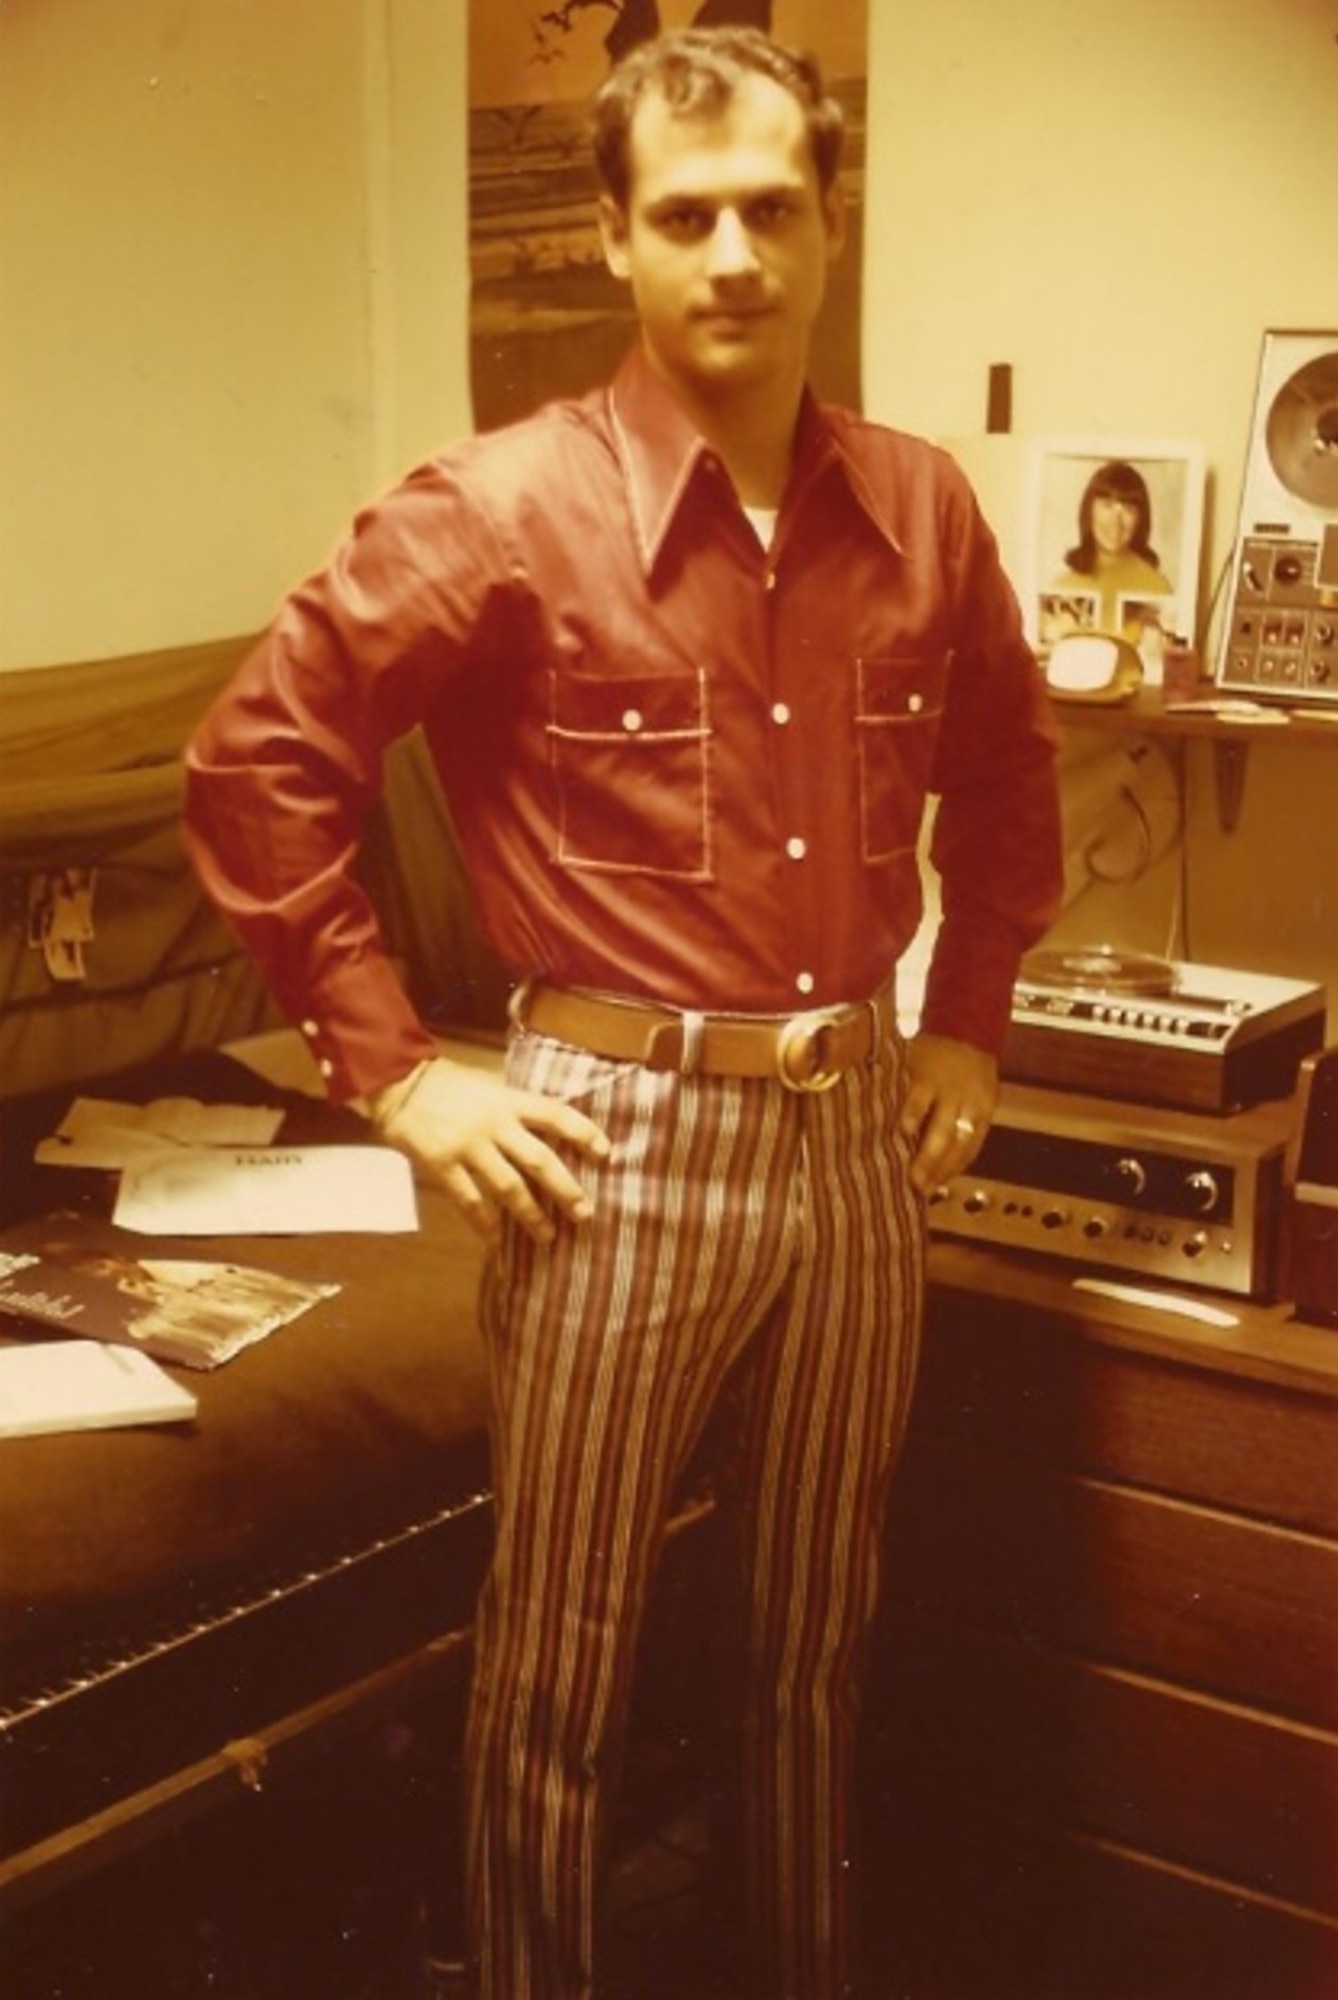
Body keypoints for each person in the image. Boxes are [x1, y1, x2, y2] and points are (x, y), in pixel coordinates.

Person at [184, 26, 1062, 1998]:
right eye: (686, 215)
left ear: (830, 227)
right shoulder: (495, 510)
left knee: (811, 1654)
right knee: (559, 1688)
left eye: (771, 208)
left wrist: (971, 1022)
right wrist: (402, 1076)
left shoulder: (925, 514)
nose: (732, 254)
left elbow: (1011, 778)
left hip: (855, 1144)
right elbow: (255, 767)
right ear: (613, 241)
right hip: (612, 1154)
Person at [1052, 457, 1174, 635]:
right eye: (1107, 506)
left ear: (1141, 519)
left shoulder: (1158, 588)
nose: (1116, 521)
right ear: (1089, 511)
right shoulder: (1062, 586)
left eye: (1128, 510)